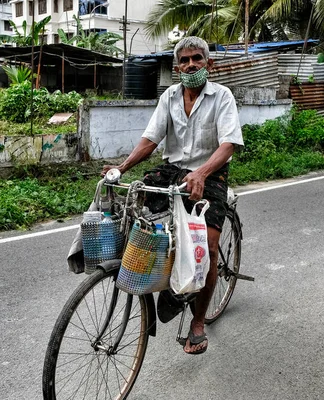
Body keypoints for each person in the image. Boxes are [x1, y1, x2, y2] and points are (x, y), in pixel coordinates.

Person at [102, 36, 244, 355]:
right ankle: (160, 273)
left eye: (197, 58)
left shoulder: (222, 96)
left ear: (208, 63)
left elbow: (229, 144)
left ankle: (197, 323)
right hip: (173, 170)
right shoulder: (169, 96)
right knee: (131, 205)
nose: (190, 64)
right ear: (177, 66)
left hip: (210, 173)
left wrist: (203, 172)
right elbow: (151, 140)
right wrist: (122, 168)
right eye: (184, 60)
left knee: (205, 246)